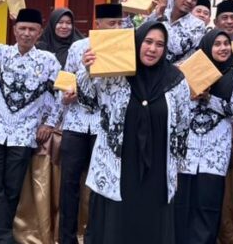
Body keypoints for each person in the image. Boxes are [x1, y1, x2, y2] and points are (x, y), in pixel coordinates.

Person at [78, 21, 191, 243]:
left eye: (159, 44)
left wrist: (177, 167)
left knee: (152, 224)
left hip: (158, 169)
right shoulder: (116, 73)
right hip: (118, 165)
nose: (152, 49)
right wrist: (88, 71)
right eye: (148, 42)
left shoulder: (175, 80)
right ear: (137, 42)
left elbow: (182, 126)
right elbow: (88, 102)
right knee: (118, 223)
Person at [0, 7, 60, 244]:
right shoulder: (2, 53)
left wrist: (49, 123)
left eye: (32, 29)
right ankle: (3, 238)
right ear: (15, 30)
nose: (26, 33)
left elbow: (60, 93)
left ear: (39, 32)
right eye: (22, 28)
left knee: (12, 188)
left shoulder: (48, 60)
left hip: (24, 133)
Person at [57, 2, 123, 244]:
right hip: (75, 123)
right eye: (112, 23)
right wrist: (67, 93)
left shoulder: (124, 48)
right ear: (98, 24)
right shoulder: (78, 47)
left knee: (100, 183)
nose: (117, 28)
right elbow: (66, 81)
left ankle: (96, 236)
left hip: (103, 126)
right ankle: (67, 238)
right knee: (69, 183)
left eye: (120, 23)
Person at [176, 30, 233, 244]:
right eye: (217, 44)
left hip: (214, 152)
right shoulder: (188, 73)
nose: (223, 48)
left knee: (208, 206)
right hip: (187, 151)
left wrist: (208, 97)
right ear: (207, 47)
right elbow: (177, 107)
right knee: (182, 206)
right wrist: (190, 95)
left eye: (226, 43)